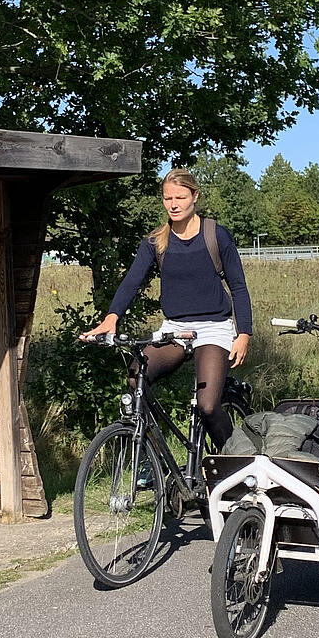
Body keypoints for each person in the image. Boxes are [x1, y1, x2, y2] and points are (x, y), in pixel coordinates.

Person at [82, 168, 252, 449]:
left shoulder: (216, 236)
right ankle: (153, 456)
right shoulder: (155, 242)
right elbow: (131, 282)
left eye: (180, 197)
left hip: (213, 328)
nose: (173, 204)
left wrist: (244, 333)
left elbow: (239, 287)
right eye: (167, 198)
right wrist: (111, 319)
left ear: (194, 196)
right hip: (174, 328)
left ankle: (233, 461)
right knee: (136, 377)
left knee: (209, 406)